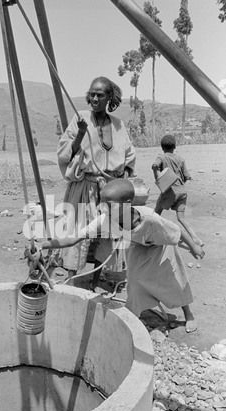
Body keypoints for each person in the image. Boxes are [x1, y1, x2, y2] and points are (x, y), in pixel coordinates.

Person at [28, 179, 205, 334]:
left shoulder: (150, 219)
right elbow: (75, 238)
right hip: (138, 248)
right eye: (102, 203)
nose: (103, 208)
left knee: (174, 280)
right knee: (135, 281)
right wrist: (42, 244)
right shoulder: (106, 220)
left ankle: (188, 314)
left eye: (109, 204)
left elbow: (177, 230)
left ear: (127, 204)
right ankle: (134, 317)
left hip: (160, 247)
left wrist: (194, 247)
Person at [57, 76, 136, 290]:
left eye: (99, 95)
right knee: (78, 233)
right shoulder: (80, 118)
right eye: (91, 94)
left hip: (111, 190)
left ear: (109, 97)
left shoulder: (118, 125)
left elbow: (129, 156)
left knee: (106, 235)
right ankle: (71, 282)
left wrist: (123, 185)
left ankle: (94, 281)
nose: (94, 98)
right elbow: (64, 154)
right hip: (85, 187)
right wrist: (81, 133)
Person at [152, 134, 204, 247]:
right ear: (175, 146)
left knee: (155, 214)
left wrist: (158, 179)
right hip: (182, 191)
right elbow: (187, 177)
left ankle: (157, 236)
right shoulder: (181, 159)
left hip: (169, 192)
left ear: (162, 147)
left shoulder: (161, 157)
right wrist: (180, 187)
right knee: (181, 218)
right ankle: (195, 238)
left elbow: (154, 166)